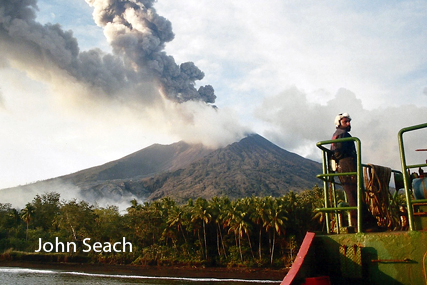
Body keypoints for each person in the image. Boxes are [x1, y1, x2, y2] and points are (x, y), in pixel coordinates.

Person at [331, 113, 381, 232]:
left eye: (349, 121)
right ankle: (360, 224)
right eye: (345, 122)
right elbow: (336, 152)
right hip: (347, 166)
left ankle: (367, 222)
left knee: (355, 194)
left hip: (345, 166)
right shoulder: (342, 134)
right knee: (353, 195)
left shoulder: (338, 134)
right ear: (338, 123)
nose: (348, 124)